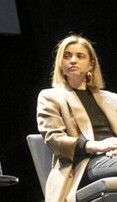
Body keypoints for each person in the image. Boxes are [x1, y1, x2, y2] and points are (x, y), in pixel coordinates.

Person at [37, 33, 117, 202]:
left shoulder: (111, 98)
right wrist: (98, 146)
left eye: (80, 56)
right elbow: (54, 139)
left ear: (91, 65)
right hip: (83, 165)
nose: (72, 60)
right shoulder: (50, 96)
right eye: (67, 56)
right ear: (61, 63)